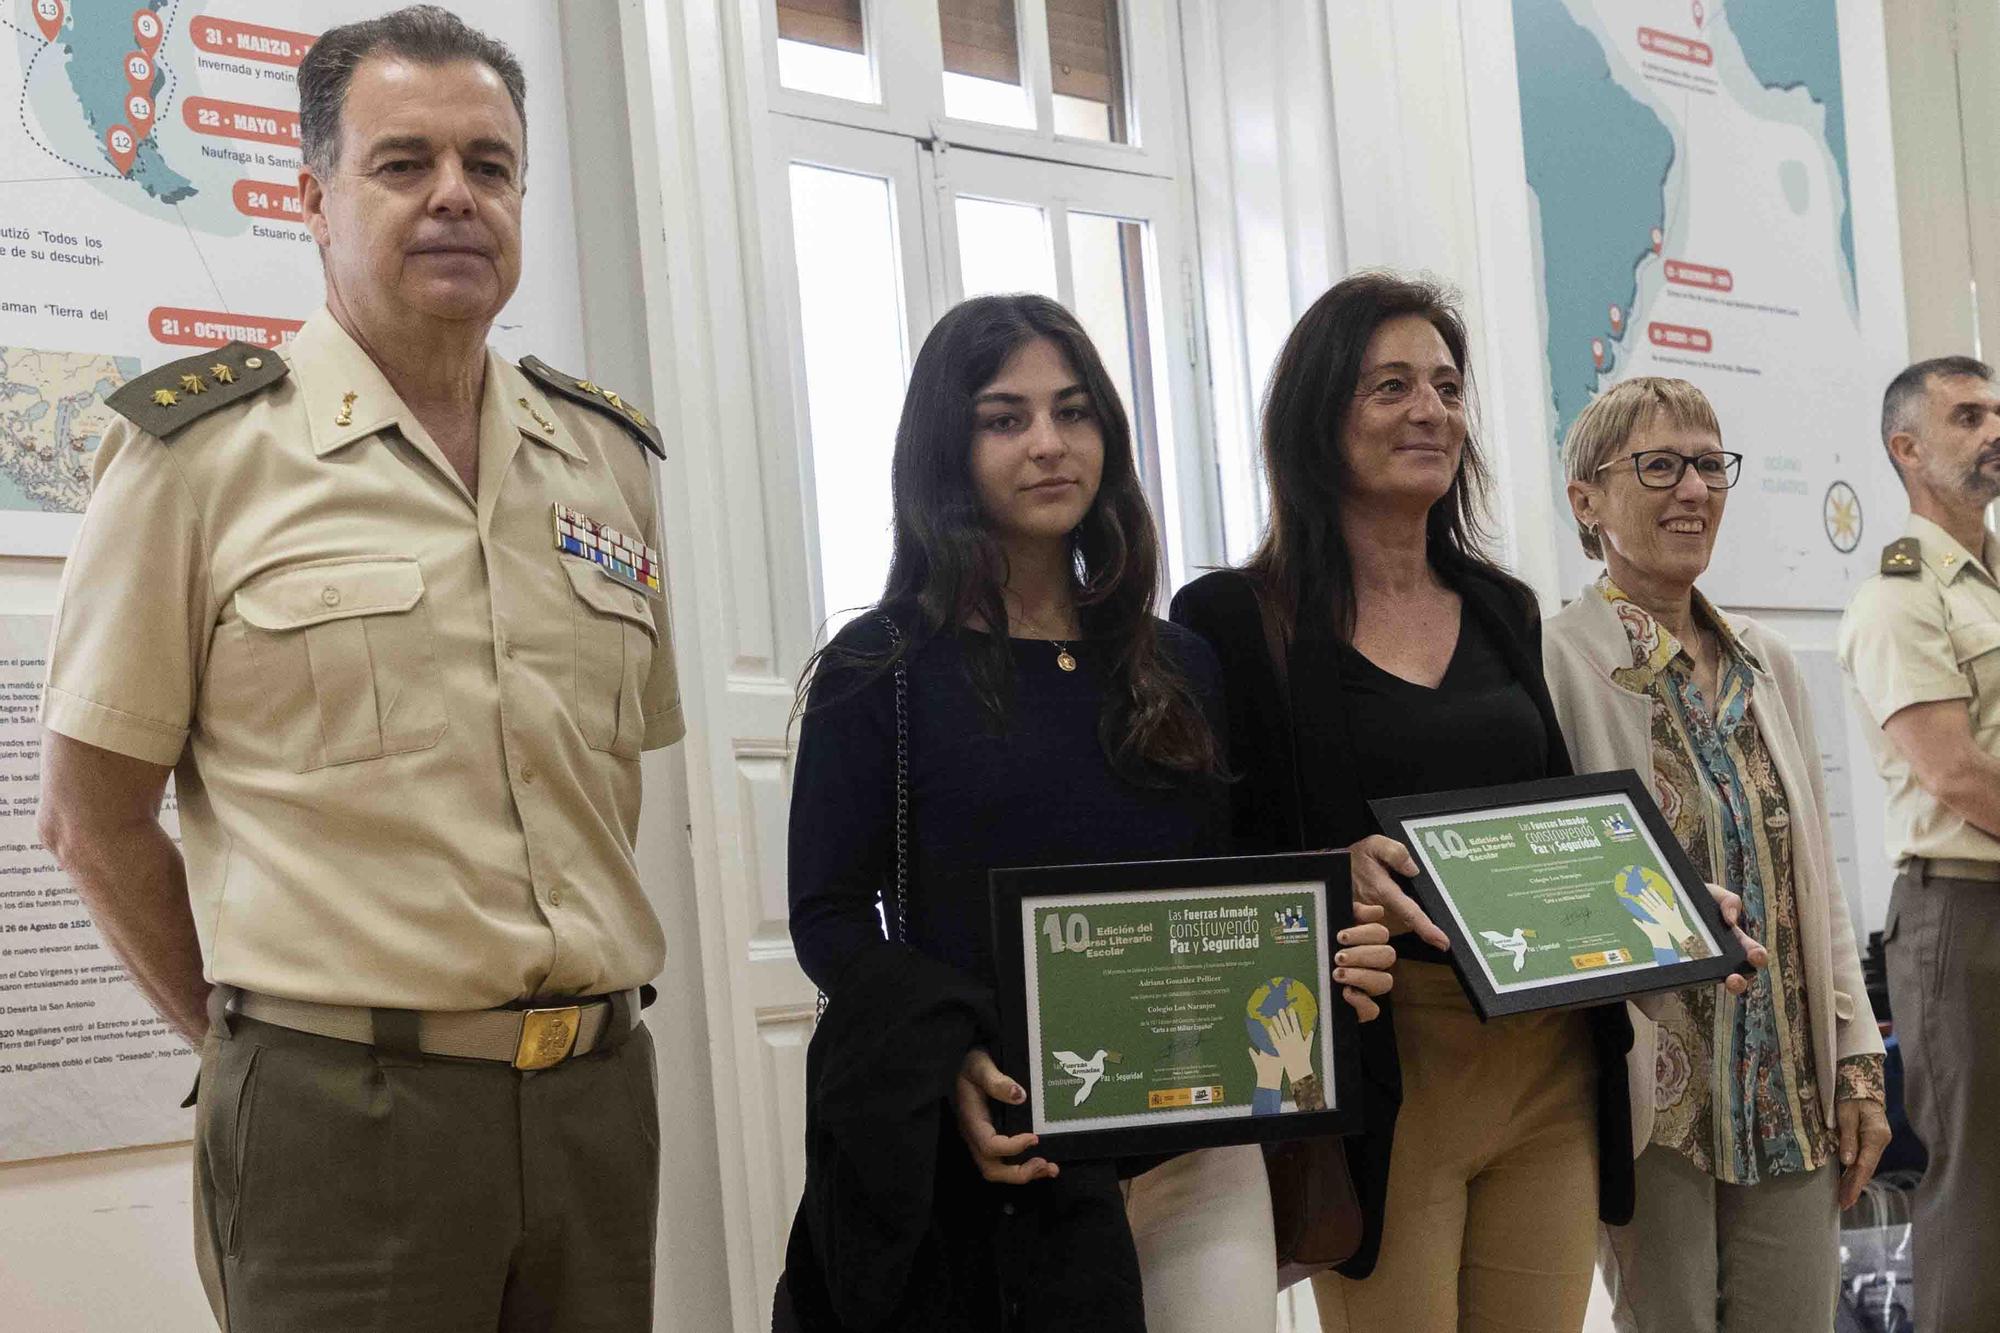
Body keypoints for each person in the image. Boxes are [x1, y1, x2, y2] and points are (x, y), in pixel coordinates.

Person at [34, 9, 681, 1328]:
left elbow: (603, 784)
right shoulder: (202, 456)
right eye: (404, 164)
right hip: (344, 1115)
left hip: (595, 1103)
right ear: (314, 198)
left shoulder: (603, 458)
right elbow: (90, 818)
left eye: (489, 166)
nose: (455, 196)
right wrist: (247, 1043)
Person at [777, 293, 1397, 1333]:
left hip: (1199, 1149)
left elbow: (1231, 887)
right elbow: (828, 916)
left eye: (1073, 412)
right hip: (1005, 1159)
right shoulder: (876, 667)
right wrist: (948, 1058)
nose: (1048, 445)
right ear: (946, 444)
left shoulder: (1178, 662)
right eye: (1003, 417)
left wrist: (1328, 945)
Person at [1171, 272, 1763, 1332]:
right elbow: (1209, 853)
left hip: (1545, 1057)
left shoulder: (1499, 606)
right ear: (1317, 414)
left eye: (1445, 387)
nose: (1429, 411)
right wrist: (1327, 869)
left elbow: (1546, 828)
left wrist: (1667, 903)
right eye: (1389, 385)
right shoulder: (1232, 617)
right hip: (1382, 1063)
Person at [1546, 377, 1886, 1332]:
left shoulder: (1767, 663)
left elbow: (1814, 887)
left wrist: (1856, 1062)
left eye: (1708, 463)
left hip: (1789, 1090)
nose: (1692, 487)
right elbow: (1561, 879)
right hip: (1655, 1101)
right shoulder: (1555, 662)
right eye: (1658, 465)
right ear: (1587, 499)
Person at [1839, 355, 2000, 1329]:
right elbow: (1954, 773)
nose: (1992, 430)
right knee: (1976, 1198)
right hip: (1963, 916)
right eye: (1966, 415)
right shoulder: (1899, 596)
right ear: (1905, 448)